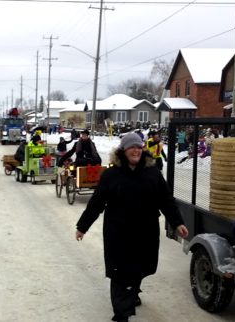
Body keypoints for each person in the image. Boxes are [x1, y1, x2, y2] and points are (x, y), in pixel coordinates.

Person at [75, 132, 188, 322]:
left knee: (140, 268)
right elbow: (97, 202)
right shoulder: (111, 175)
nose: (135, 150)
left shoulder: (152, 173)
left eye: (138, 147)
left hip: (146, 232)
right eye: (131, 147)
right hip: (118, 233)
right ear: (123, 151)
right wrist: (82, 226)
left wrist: (177, 222)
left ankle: (132, 291)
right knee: (120, 273)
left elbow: (166, 199)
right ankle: (121, 314)